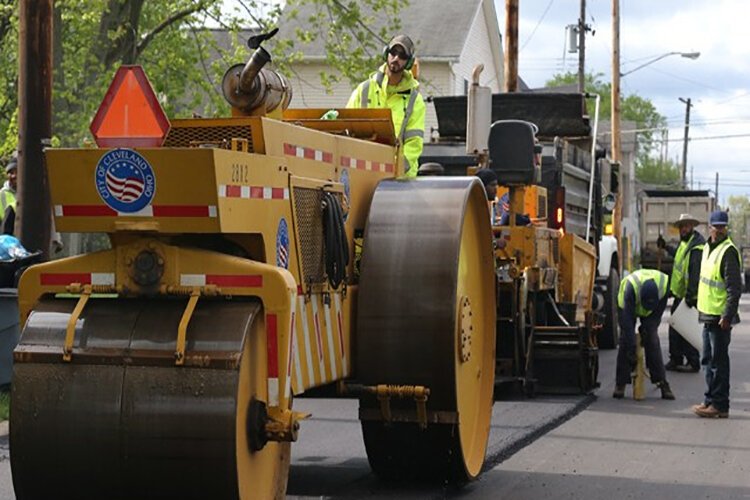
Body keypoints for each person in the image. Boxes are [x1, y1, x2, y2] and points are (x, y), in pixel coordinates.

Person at [346, 35, 426, 179]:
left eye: (402, 55)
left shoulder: (415, 101)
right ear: (386, 54)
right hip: (364, 173)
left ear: (408, 63)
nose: (396, 58)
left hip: (399, 181)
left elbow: (414, 144)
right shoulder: (363, 90)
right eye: (393, 52)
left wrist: (396, 170)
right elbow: (346, 128)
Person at [693, 210, 741, 419]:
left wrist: (727, 315)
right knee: (707, 360)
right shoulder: (707, 248)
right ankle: (710, 400)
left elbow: (733, 288)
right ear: (709, 227)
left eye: (722, 226)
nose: (719, 230)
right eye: (716, 226)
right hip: (707, 314)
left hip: (720, 318)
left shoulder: (728, 251)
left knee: (718, 362)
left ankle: (720, 405)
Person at [613, 268, 675, 400]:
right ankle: (621, 383)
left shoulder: (663, 287)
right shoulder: (629, 290)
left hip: (650, 310)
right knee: (626, 340)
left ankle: (661, 381)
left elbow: (656, 316)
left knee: (651, 338)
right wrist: (632, 350)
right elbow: (628, 325)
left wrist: (647, 329)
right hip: (627, 306)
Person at [657, 213, 705, 372]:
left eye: (686, 226)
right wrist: (665, 247)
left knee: (686, 329)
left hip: (689, 296)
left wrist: (691, 297)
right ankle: (676, 359)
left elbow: (695, 273)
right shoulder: (686, 244)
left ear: (692, 227)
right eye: (681, 226)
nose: (683, 229)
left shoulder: (696, 247)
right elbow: (678, 256)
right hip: (681, 294)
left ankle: (692, 361)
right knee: (677, 328)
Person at [0, 156, 17, 235]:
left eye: (17, 172)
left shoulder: (32, 193)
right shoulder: (2, 194)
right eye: (11, 173)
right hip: (8, 240)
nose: (14, 176)